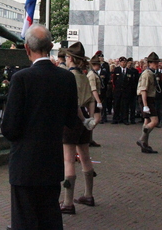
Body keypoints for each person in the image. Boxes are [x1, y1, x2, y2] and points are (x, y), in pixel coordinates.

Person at [0, 24, 81, 230]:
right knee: (50, 218)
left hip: (24, 164)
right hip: (52, 163)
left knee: (24, 220)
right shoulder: (66, 78)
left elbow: (9, 127)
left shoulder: (21, 78)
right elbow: (72, 121)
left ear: (27, 48)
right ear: (51, 45)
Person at [59, 42, 97, 215]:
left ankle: (67, 202)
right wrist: (88, 119)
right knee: (85, 157)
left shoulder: (67, 77)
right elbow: (91, 100)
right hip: (85, 120)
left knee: (68, 160)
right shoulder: (84, 76)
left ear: (71, 59)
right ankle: (88, 195)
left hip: (71, 120)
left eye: (67, 57)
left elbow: (71, 103)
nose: (65, 59)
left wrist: (80, 119)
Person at [136, 52, 161, 153]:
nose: (157, 64)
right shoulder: (147, 74)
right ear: (150, 63)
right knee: (154, 121)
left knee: (147, 121)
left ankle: (145, 145)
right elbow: (143, 90)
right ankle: (141, 139)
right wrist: (145, 105)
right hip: (146, 99)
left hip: (149, 98)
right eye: (155, 62)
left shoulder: (151, 73)